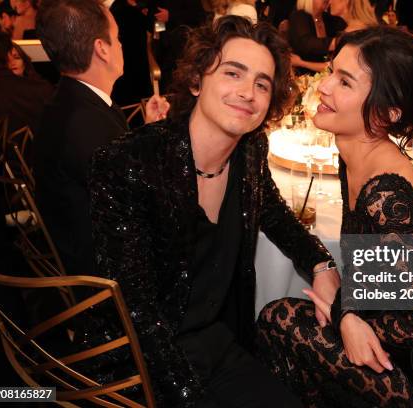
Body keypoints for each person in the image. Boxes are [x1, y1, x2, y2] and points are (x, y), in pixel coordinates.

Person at [89, 15, 339, 406]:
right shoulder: (130, 164)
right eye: (233, 73)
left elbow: (274, 215)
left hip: (216, 342)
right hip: (140, 365)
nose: (247, 92)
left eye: (262, 83)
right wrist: (189, 397)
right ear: (195, 80)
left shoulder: (249, 152)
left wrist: (323, 265)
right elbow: (136, 311)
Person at [257, 26, 413, 407]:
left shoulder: (387, 194)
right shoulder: (354, 157)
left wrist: (346, 318)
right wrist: (349, 312)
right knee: (283, 323)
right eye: (331, 71)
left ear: (387, 113)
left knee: (280, 320)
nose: (324, 87)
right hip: (409, 342)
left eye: (345, 82)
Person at [34, 0, 168, 278]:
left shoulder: (75, 99)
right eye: (117, 38)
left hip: (103, 251)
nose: (121, 45)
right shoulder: (83, 123)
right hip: (110, 282)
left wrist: (149, 130)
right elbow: (144, 202)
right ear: (102, 49)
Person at [288, 0, 345, 74]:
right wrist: (336, 42)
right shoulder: (299, 16)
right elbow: (307, 44)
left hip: (325, 74)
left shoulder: (328, 18)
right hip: (303, 75)